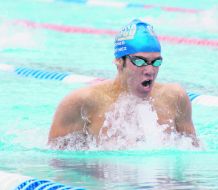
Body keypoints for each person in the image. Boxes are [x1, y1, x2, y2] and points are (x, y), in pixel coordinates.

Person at [48, 19, 198, 147]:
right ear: (119, 61)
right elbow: (57, 162)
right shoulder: (82, 102)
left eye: (156, 62)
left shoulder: (175, 98)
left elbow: (193, 154)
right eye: (140, 61)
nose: (150, 70)